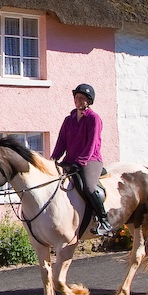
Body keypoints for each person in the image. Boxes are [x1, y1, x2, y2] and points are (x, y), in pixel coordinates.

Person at [50, 83, 114, 236]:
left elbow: (92, 144)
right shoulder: (68, 120)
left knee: (89, 187)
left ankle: (104, 221)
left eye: (81, 98)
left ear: (88, 101)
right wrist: (53, 160)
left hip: (90, 160)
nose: (77, 100)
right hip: (71, 160)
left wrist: (80, 162)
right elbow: (61, 143)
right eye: (76, 97)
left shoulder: (93, 119)